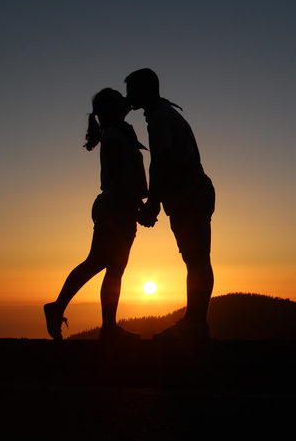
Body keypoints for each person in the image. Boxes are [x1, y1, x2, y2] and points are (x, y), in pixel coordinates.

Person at [44, 88, 148, 341]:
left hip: (118, 206)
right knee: (100, 262)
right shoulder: (113, 134)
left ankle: (107, 327)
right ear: (112, 107)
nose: (126, 99)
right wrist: (134, 207)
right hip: (115, 207)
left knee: (113, 268)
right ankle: (59, 308)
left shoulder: (119, 132)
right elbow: (116, 175)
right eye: (119, 98)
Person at [125, 68, 215, 341]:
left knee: (196, 259)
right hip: (192, 194)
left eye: (132, 90)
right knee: (196, 259)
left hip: (190, 195)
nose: (128, 96)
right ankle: (196, 322)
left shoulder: (160, 118)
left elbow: (161, 162)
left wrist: (152, 203)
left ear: (145, 90)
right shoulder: (164, 115)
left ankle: (195, 324)